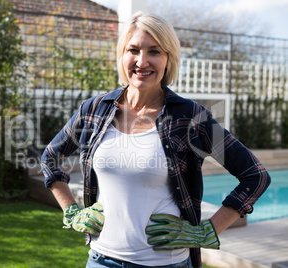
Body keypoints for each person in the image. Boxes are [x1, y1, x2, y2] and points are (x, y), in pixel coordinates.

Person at [41, 11, 271, 268]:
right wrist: (71, 211)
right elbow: (50, 158)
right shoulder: (94, 109)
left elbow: (256, 175)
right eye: (133, 50)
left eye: (154, 51)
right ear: (122, 55)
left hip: (165, 264)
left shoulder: (192, 117)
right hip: (100, 259)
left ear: (168, 59)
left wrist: (207, 231)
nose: (142, 61)